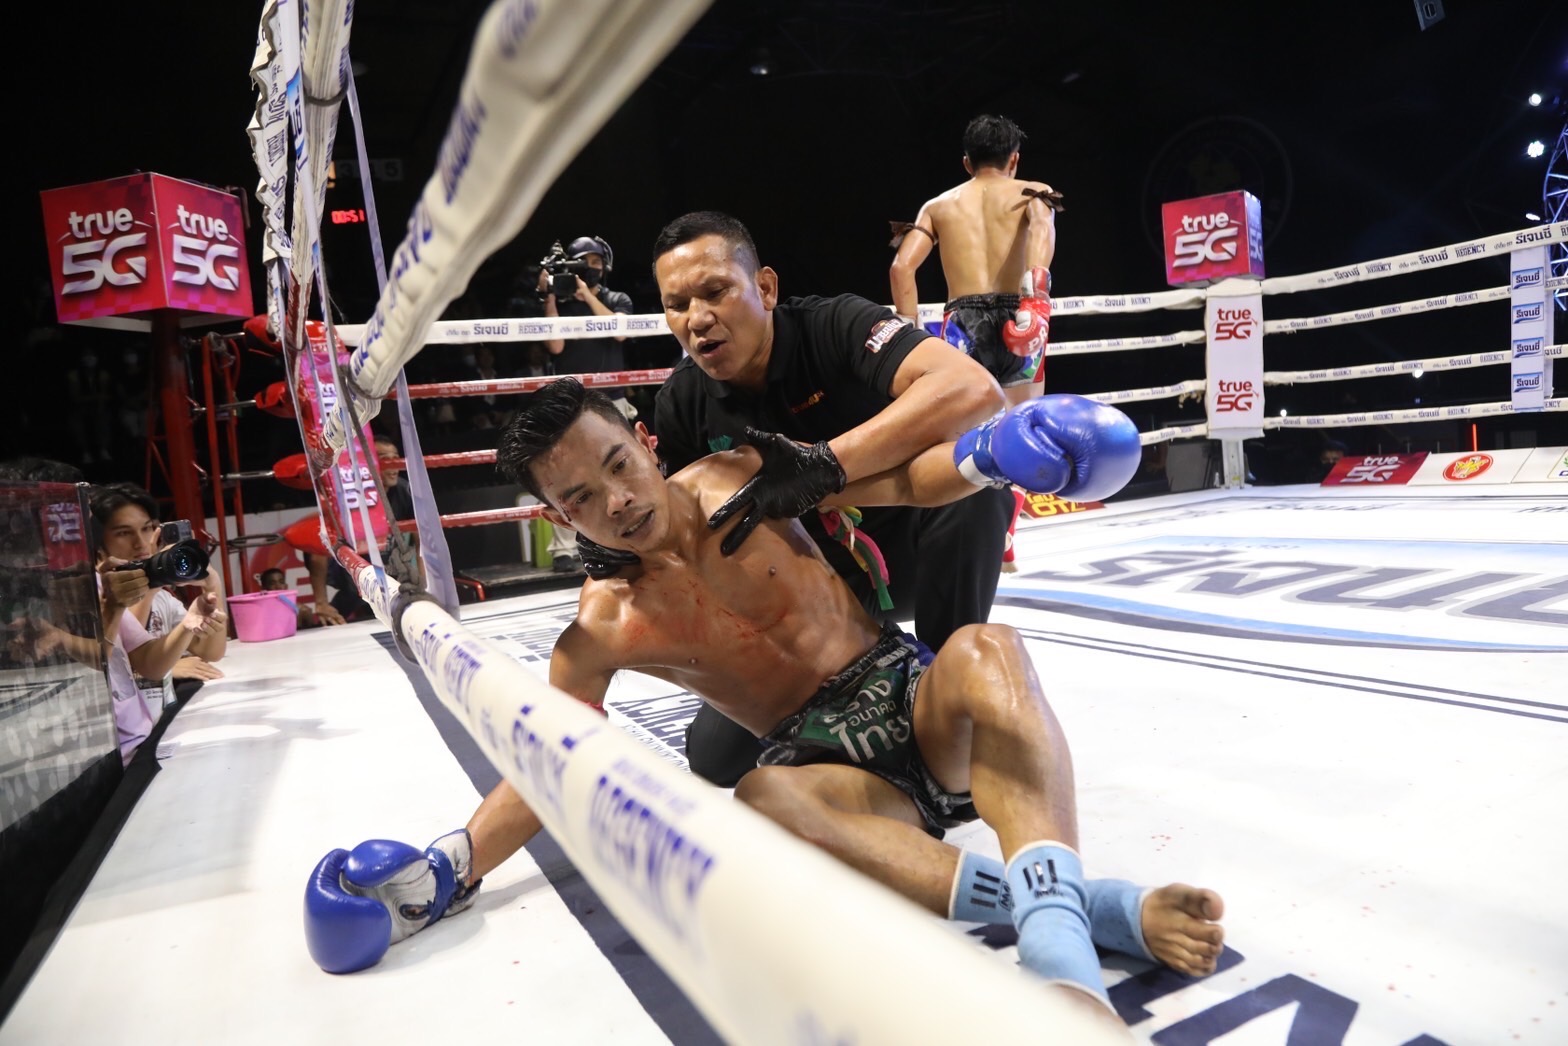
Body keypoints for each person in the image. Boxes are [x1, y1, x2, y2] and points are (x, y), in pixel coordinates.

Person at [303, 380, 1213, 1011]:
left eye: (618, 465)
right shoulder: (602, 627)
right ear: (557, 517)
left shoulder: (742, 475)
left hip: (913, 703)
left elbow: (900, 481)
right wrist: (451, 865)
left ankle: (1060, 961)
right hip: (836, 778)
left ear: (644, 444)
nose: (617, 500)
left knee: (987, 646)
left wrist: (989, 458)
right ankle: (1097, 910)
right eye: (580, 497)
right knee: (761, 798)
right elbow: (548, 762)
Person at [649, 210, 1018, 787]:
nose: (697, 319)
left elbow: (974, 388)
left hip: (910, 552)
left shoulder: (835, 324)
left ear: (765, 287)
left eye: (716, 291)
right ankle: (857, 689)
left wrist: (827, 466)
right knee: (716, 758)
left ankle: (947, 691)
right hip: (806, 597)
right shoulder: (681, 403)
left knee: (976, 480)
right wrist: (611, 532)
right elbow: (686, 545)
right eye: (676, 305)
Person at [890, 114, 1063, 573]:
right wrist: (1035, 299)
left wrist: (906, 332)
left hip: (961, 323)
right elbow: (1042, 230)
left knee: (962, 433)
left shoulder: (937, 206)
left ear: (966, 162)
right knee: (1022, 426)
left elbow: (901, 268)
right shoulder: (1033, 192)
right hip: (1021, 309)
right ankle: (1006, 539)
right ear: (1014, 159)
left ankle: (966, 538)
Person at [88, 484, 227, 760]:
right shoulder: (93, 592)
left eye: (147, 528)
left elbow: (211, 652)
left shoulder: (163, 599)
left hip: (144, 738)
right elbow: (115, 659)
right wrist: (153, 577)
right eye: (123, 532)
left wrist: (212, 585)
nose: (140, 543)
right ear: (98, 542)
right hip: (108, 747)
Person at [537, 235, 636, 572]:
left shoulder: (617, 299)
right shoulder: (561, 305)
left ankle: (628, 541)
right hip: (571, 405)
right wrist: (551, 296)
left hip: (613, 400)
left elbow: (620, 332)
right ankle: (563, 551)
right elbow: (555, 346)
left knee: (623, 472)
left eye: (595, 262)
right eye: (583, 262)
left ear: (604, 266)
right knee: (563, 476)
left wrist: (588, 297)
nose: (590, 267)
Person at [303, 433, 420, 624]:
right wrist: (321, 602)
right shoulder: (347, 494)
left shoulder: (404, 490)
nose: (392, 466)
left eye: (395, 458)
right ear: (367, 463)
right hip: (345, 561)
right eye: (384, 459)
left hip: (384, 558)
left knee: (398, 584)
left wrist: (424, 583)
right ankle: (325, 619)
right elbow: (317, 552)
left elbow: (421, 540)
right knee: (355, 590)